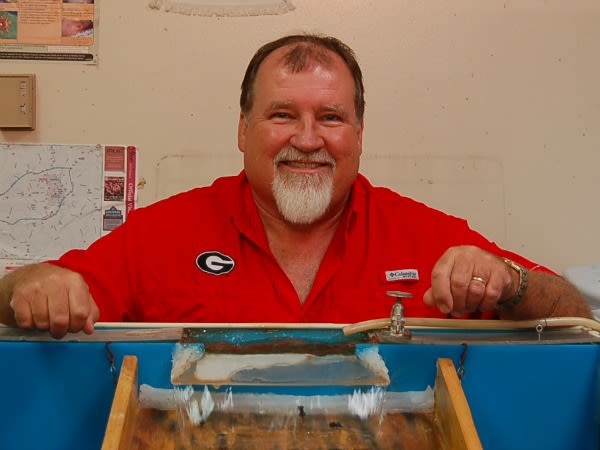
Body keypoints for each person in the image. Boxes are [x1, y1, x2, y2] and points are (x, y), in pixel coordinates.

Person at [0, 34, 591, 338]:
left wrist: (507, 284)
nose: (307, 140)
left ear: (358, 134)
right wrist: (33, 284)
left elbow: (572, 312)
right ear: (243, 129)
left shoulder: (425, 234)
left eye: (330, 118)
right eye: (283, 115)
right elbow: (24, 296)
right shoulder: (164, 233)